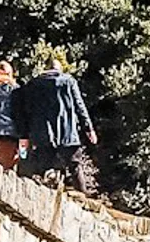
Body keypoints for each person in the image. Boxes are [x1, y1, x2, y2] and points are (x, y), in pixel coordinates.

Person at [14, 53, 101, 193]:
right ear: (59, 69)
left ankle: (34, 193)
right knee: (75, 166)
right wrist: (89, 128)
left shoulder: (33, 84)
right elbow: (80, 106)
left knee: (40, 166)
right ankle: (83, 198)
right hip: (68, 133)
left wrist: (24, 134)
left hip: (42, 134)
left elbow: (26, 110)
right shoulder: (69, 82)